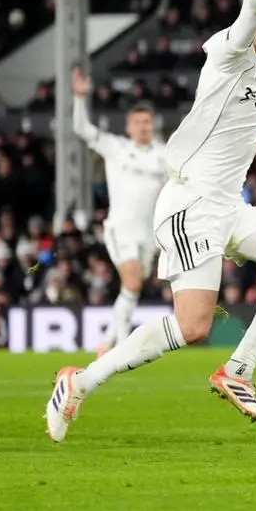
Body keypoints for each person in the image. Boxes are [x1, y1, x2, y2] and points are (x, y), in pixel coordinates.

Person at [45, 0, 256, 442]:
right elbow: (249, 11)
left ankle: (238, 371)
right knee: (193, 326)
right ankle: (80, 381)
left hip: (228, 204)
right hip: (191, 205)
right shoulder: (230, 52)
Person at [71, 67, 167, 357]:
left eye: (147, 122)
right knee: (132, 280)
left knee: (133, 289)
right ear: (129, 126)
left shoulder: (164, 155)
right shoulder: (116, 147)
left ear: (153, 125)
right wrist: (78, 98)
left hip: (149, 234)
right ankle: (123, 346)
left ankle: (107, 342)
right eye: (137, 122)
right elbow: (82, 130)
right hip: (121, 229)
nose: (142, 127)